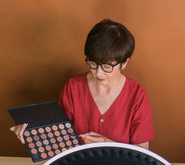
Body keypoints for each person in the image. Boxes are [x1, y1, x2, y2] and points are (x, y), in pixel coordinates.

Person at [10, 19, 154, 149]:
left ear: (124, 63)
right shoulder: (73, 88)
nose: (98, 73)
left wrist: (108, 144)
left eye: (107, 67)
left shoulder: (137, 95)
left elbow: (142, 152)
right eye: (93, 64)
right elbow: (59, 138)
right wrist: (32, 135)